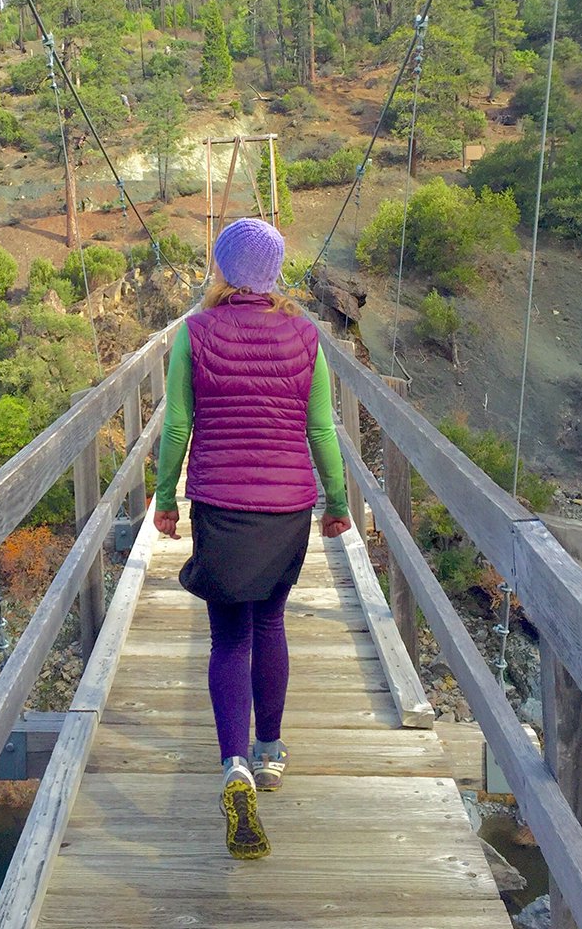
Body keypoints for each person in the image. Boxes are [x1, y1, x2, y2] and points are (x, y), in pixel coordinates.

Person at [152, 217, 351, 861]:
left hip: (219, 505)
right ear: (275, 273)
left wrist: (163, 501)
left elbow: (178, 425)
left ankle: (234, 766)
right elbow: (322, 431)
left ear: (222, 270)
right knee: (271, 624)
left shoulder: (195, 333)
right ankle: (270, 753)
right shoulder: (305, 336)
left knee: (227, 637)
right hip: (287, 507)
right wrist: (338, 503)